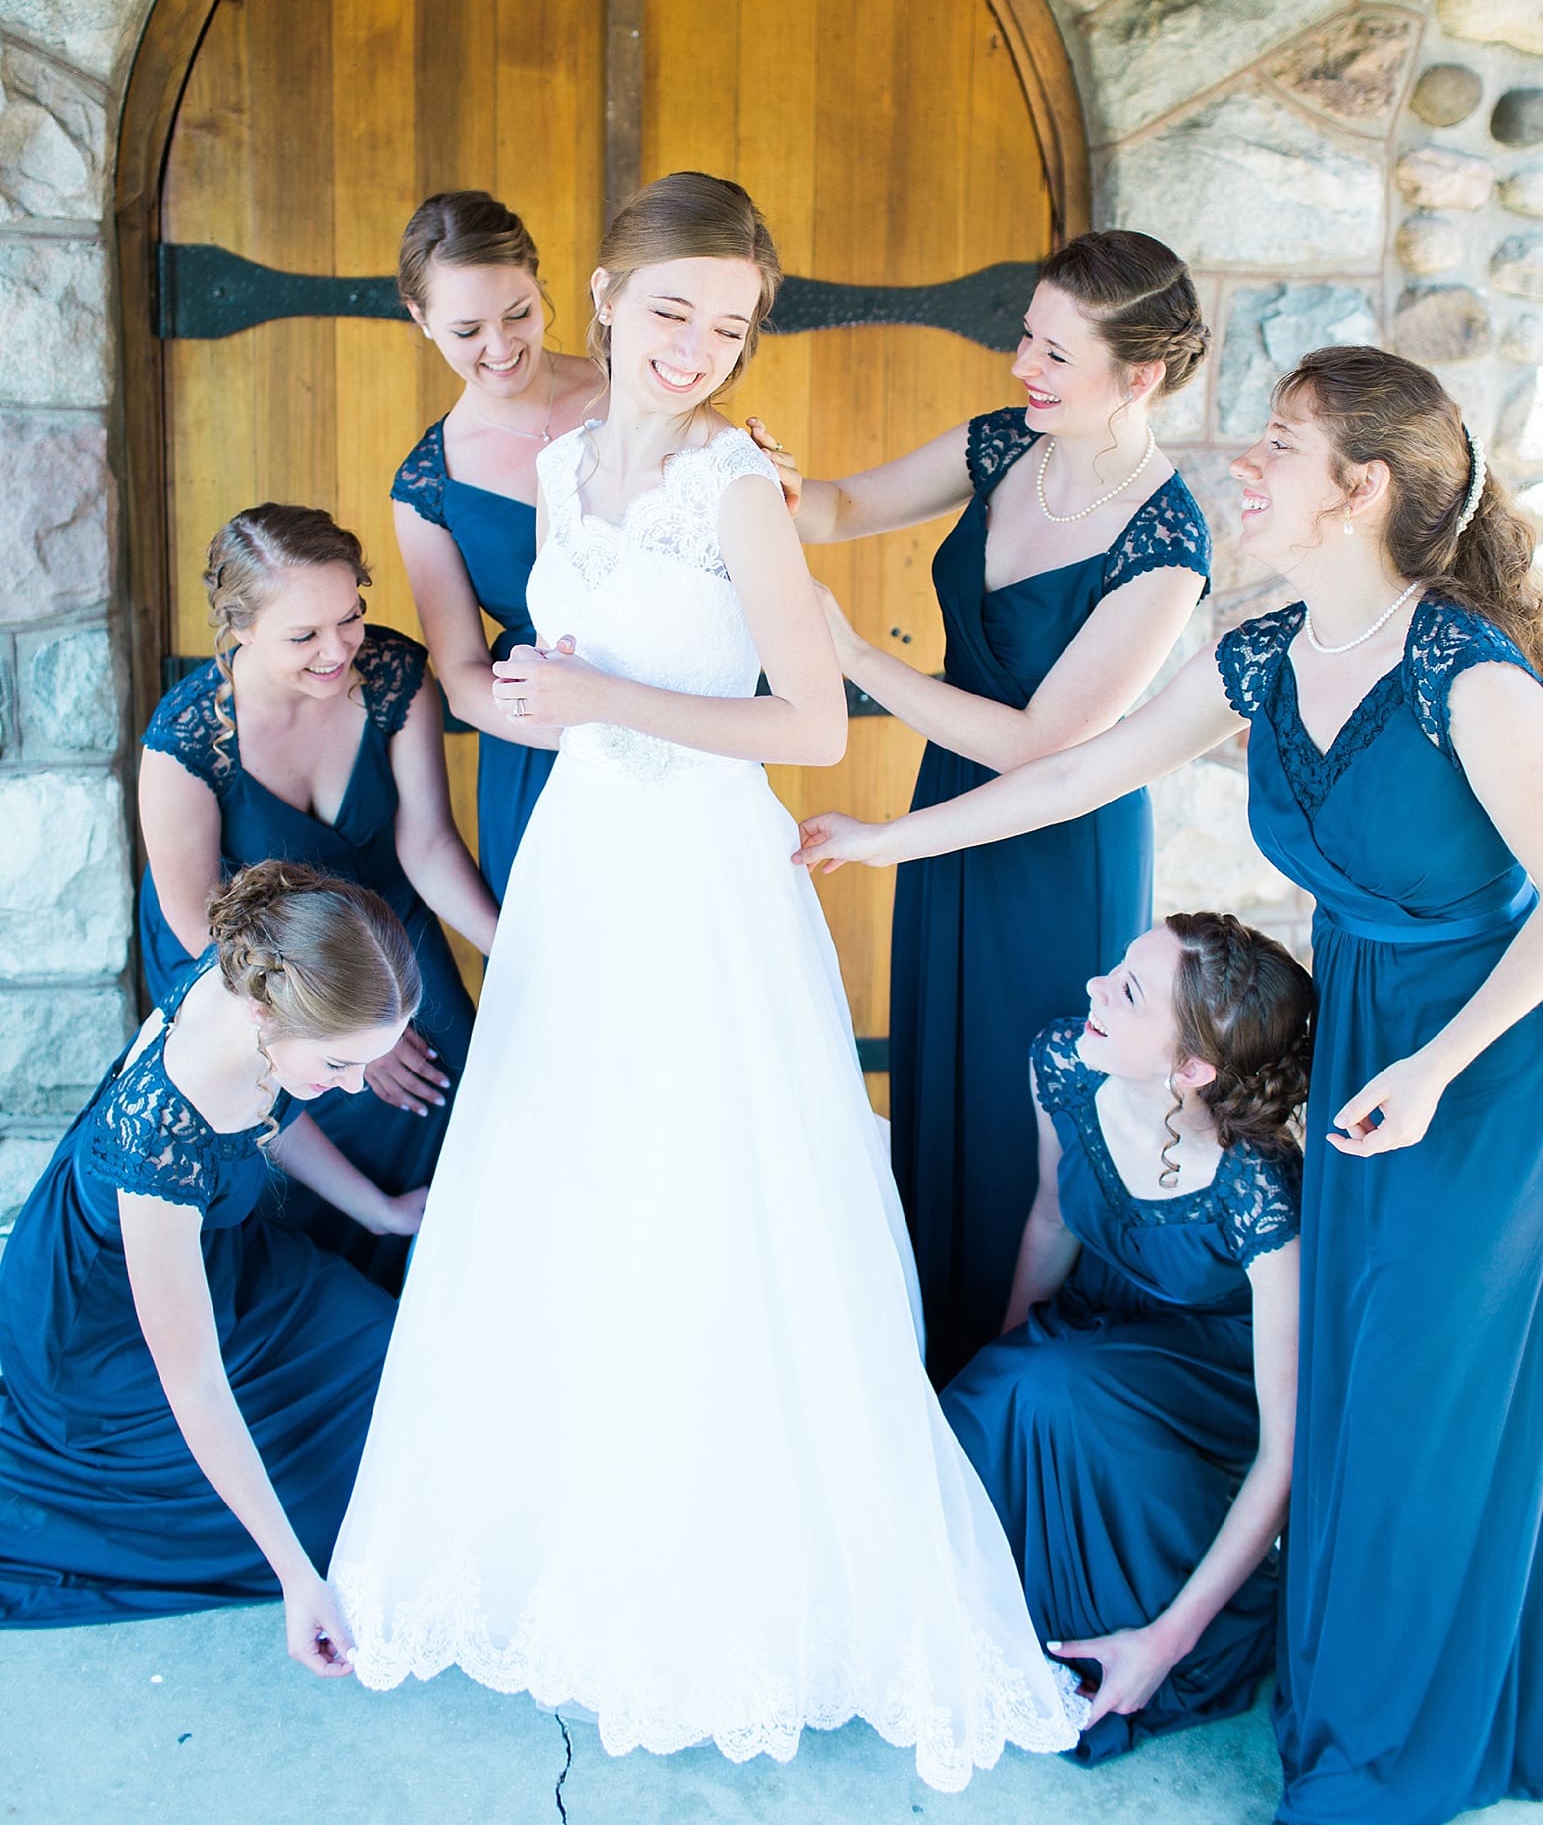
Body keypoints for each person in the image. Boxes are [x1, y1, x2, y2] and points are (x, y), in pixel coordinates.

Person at [329, 173, 1085, 1790]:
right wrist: (551, 703)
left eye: (729, 325)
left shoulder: (738, 483)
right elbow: (518, 663)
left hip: (698, 887)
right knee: (572, 1194)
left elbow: (807, 728)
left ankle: (726, 1590)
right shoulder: (549, 464)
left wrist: (599, 696)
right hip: (586, 872)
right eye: (671, 310)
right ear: (605, 293)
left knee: (707, 1201)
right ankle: (571, 1562)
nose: (695, 348)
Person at [798, 344, 1543, 1825]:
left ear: (1361, 491)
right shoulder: (1265, 651)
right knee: (1343, 1395)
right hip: (1362, 1052)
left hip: (1479, 1079)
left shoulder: (1472, 676)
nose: (1243, 467)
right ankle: (1341, 1707)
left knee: (1414, 1402)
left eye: (1278, 445)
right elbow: (1075, 770)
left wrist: (1433, 1064)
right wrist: (887, 841)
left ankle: (1391, 1755)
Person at [753, 231, 1211, 1379]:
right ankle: (923, 1354)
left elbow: (1041, 742)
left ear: (1140, 376)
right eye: (1025, 337)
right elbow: (841, 503)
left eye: (1056, 352)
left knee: (1029, 1111)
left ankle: (1003, 1372)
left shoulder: (1169, 543)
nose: (1024, 367)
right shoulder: (1006, 443)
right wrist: (751, 468)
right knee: (941, 1079)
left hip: (1057, 837)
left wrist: (854, 651)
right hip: (944, 812)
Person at [0, 861, 422, 1662]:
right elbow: (191, 1384)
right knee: (336, 1513)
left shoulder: (266, 971)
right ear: (265, 1017)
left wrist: (378, 1208)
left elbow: (269, 1105)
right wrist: (298, 1578)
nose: (360, 1088)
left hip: (217, 1260)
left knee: (397, 1367)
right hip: (104, 1337)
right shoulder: (158, 1137)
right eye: (340, 1065)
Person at [943, 913, 1312, 1763]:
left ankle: (1155, 1631)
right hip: (1090, 1327)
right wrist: (997, 1375)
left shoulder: (1258, 1192)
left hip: (1206, 1379)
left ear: (1190, 1067)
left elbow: (1285, 1454)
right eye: (1117, 968)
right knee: (992, 1406)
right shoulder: (1063, 1061)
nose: (1092, 989)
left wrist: (1168, 1641)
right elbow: (1050, 1214)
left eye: (1127, 991)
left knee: (1055, 1391)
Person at [138, 505, 499, 1287]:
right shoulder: (184, 742)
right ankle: (318, 1319)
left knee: (452, 1086)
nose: (337, 649)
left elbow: (428, 844)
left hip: (383, 922)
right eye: (303, 635)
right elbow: (196, 922)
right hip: (252, 966)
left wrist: (518, 954)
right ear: (237, 626)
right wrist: (346, 1027)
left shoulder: (395, 674)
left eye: (350, 617)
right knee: (311, 1123)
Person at [392, 192, 598, 902]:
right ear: (420, 319)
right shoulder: (428, 485)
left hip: (683, 722)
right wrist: (580, 739)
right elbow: (461, 672)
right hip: (542, 755)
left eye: (517, 313)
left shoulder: (636, 396)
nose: (501, 346)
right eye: (466, 329)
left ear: (540, 288)